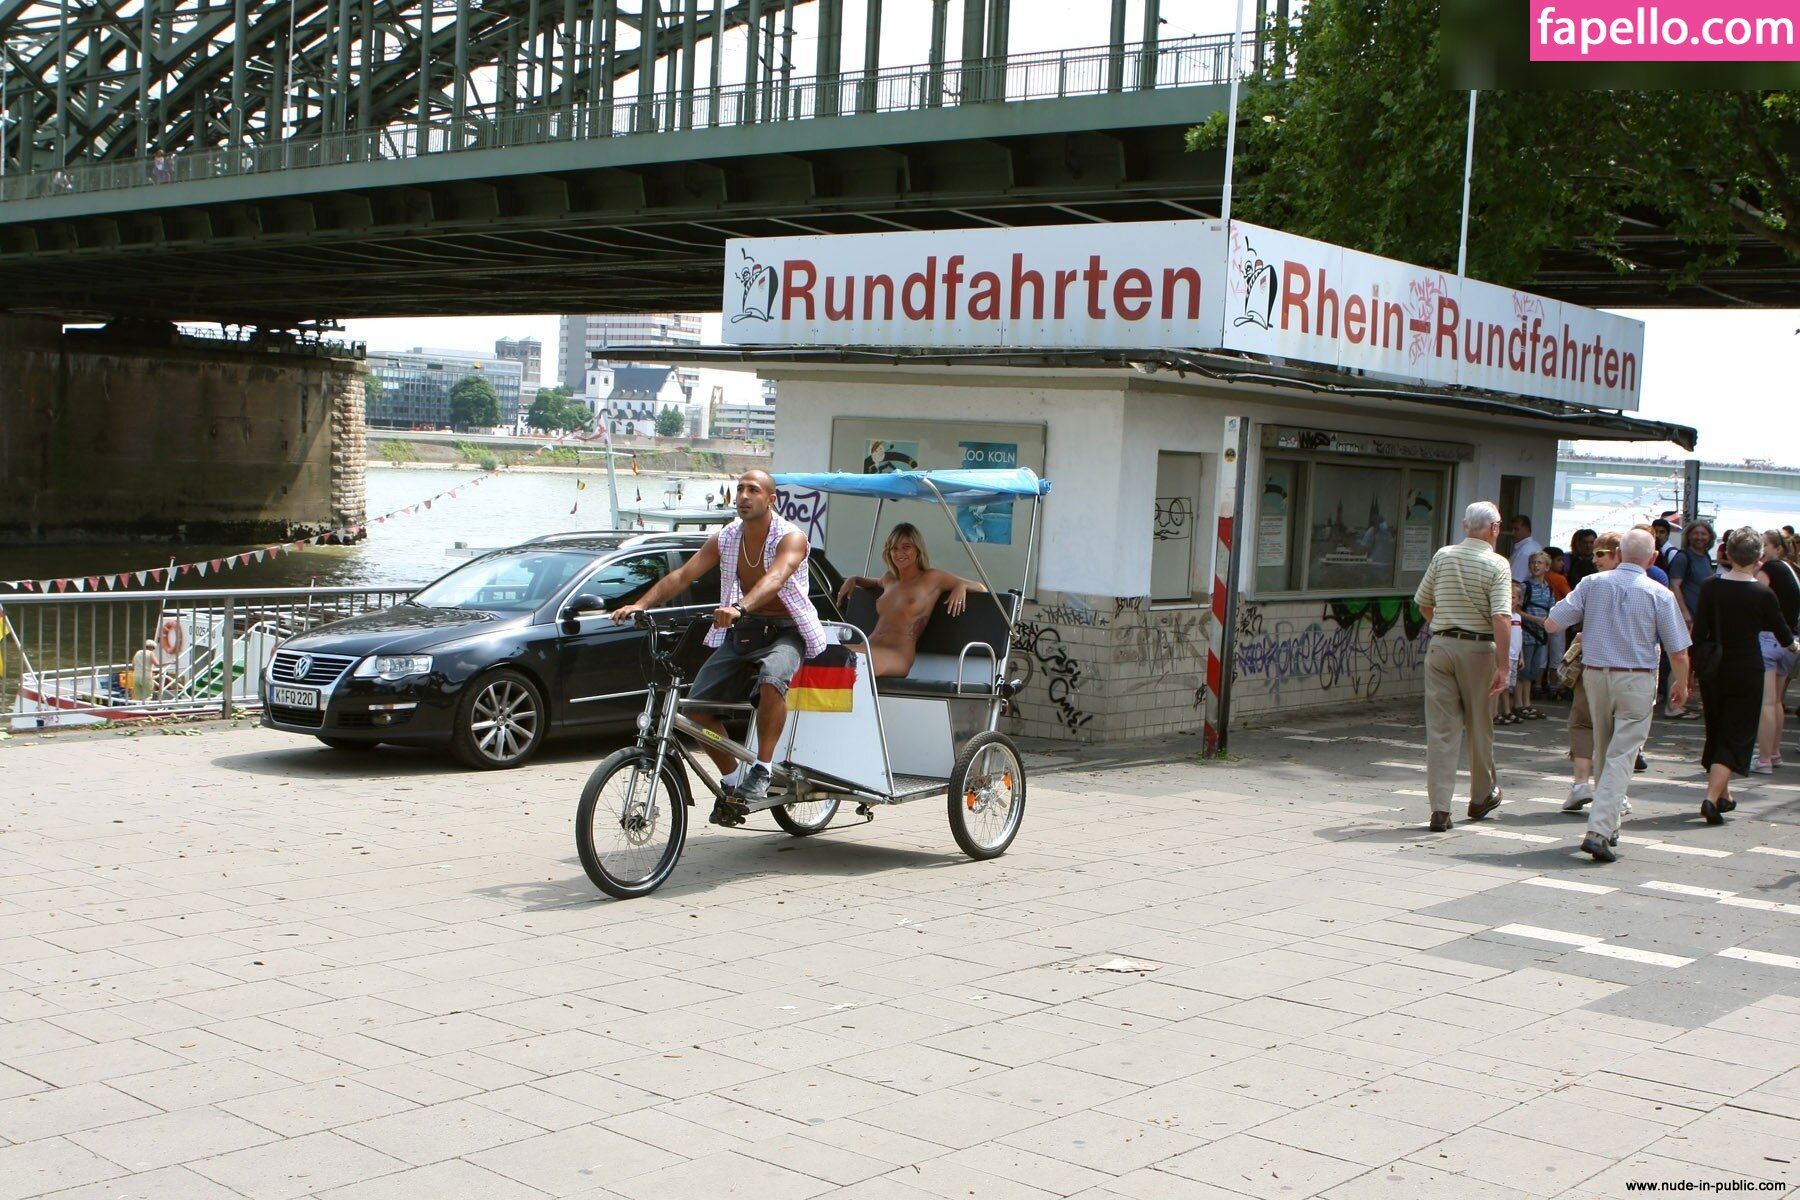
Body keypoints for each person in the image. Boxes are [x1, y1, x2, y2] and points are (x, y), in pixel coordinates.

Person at [610, 469, 826, 824]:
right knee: (697, 709)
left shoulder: (791, 537)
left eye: (753, 490)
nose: (744, 496)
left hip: (787, 631)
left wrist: (740, 606)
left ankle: (762, 767)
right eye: (740, 489)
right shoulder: (727, 538)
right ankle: (734, 780)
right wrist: (640, 604)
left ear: (771, 499)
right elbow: (684, 575)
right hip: (745, 631)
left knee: (772, 679)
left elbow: (775, 578)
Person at [1545, 528, 1692, 862]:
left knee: (1605, 746)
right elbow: (1678, 650)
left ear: (1620, 553)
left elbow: (1553, 622)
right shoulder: (1659, 593)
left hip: (1596, 674)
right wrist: (1681, 684)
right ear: (1653, 558)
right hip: (1636, 677)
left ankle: (1608, 825)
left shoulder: (1592, 584)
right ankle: (1598, 829)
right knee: (1622, 754)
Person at [1414, 501, 1512, 832]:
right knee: (1480, 725)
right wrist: (1504, 665)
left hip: (1441, 645)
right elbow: (1501, 617)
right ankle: (1481, 795)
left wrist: (1443, 624)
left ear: (1464, 526)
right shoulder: (1497, 564)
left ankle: (1440, 809)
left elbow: (1423, 602)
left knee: (1441, 730)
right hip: (1479, 649)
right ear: (1494, 528)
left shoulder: (1443, 556)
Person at [1693, 528, 1800, 823]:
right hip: (1747, 666)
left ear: (1727, 553)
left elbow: (1698, 632)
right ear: (1758, 557)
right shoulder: (1762, 593)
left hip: (1714, 667)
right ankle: (1711, 798)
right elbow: (1783, 633)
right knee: (1736, 732)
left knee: (1716, 728)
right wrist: (1795, 647)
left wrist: (1690, 670)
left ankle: (1723, 795)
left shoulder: (1710, 586)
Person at [835, 523, 989, 678]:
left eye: (906, 547)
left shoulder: (932, 577)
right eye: (894, 548)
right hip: (868, 646)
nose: (899, 553)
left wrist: (961, 586)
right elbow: (875, 582)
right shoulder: (889, 578)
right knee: (826, 653)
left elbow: (982, 588)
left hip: (896, 656)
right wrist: (855, 579)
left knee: (843, 659)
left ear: (917, 550)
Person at [1756, 529, 1800, 771]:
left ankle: (1763, 759)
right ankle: (1774, 753)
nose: (1760, 550)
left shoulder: (1770, 569)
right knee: (1776, 702)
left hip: (1769, 638)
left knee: (1766, 702)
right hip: (1787, 639)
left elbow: (1757, 599)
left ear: (1778, 548)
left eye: (1764, 545)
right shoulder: (1789, 568)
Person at [1666, 521, 1716, 717]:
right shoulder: (1683, 557)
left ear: (1710, 537)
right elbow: (1674, 585)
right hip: (1687, 617)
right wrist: (1685, 613)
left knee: (1690, 662)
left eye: (1704, 534)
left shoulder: (1705, 557)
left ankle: (1681, 701)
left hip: (1700, 618)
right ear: (1688, 536)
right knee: (1680, 659)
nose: (1700, 537)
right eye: (1696, 533)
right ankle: (1673, 707)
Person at [1517, 552, 1554, 717]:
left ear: (1547, 567)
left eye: (1539, 563)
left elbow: (1552, 609)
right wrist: (1536, 619)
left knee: (1532, 671)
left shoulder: (1549, 589)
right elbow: (1516, 609)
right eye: (1533, 563)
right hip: (1526, 633)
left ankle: (1527, 703)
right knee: (1522, 671)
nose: (1535, 566)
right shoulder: (1525, 587)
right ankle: (1519, 704)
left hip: (1540, 636)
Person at [1508, 514, 1542, 584]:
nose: (1512, 533)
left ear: (1527, 530)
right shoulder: (1535, 545)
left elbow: (1516, 580)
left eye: (1516, 529)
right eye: (1512, 529)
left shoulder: (1525, 551)